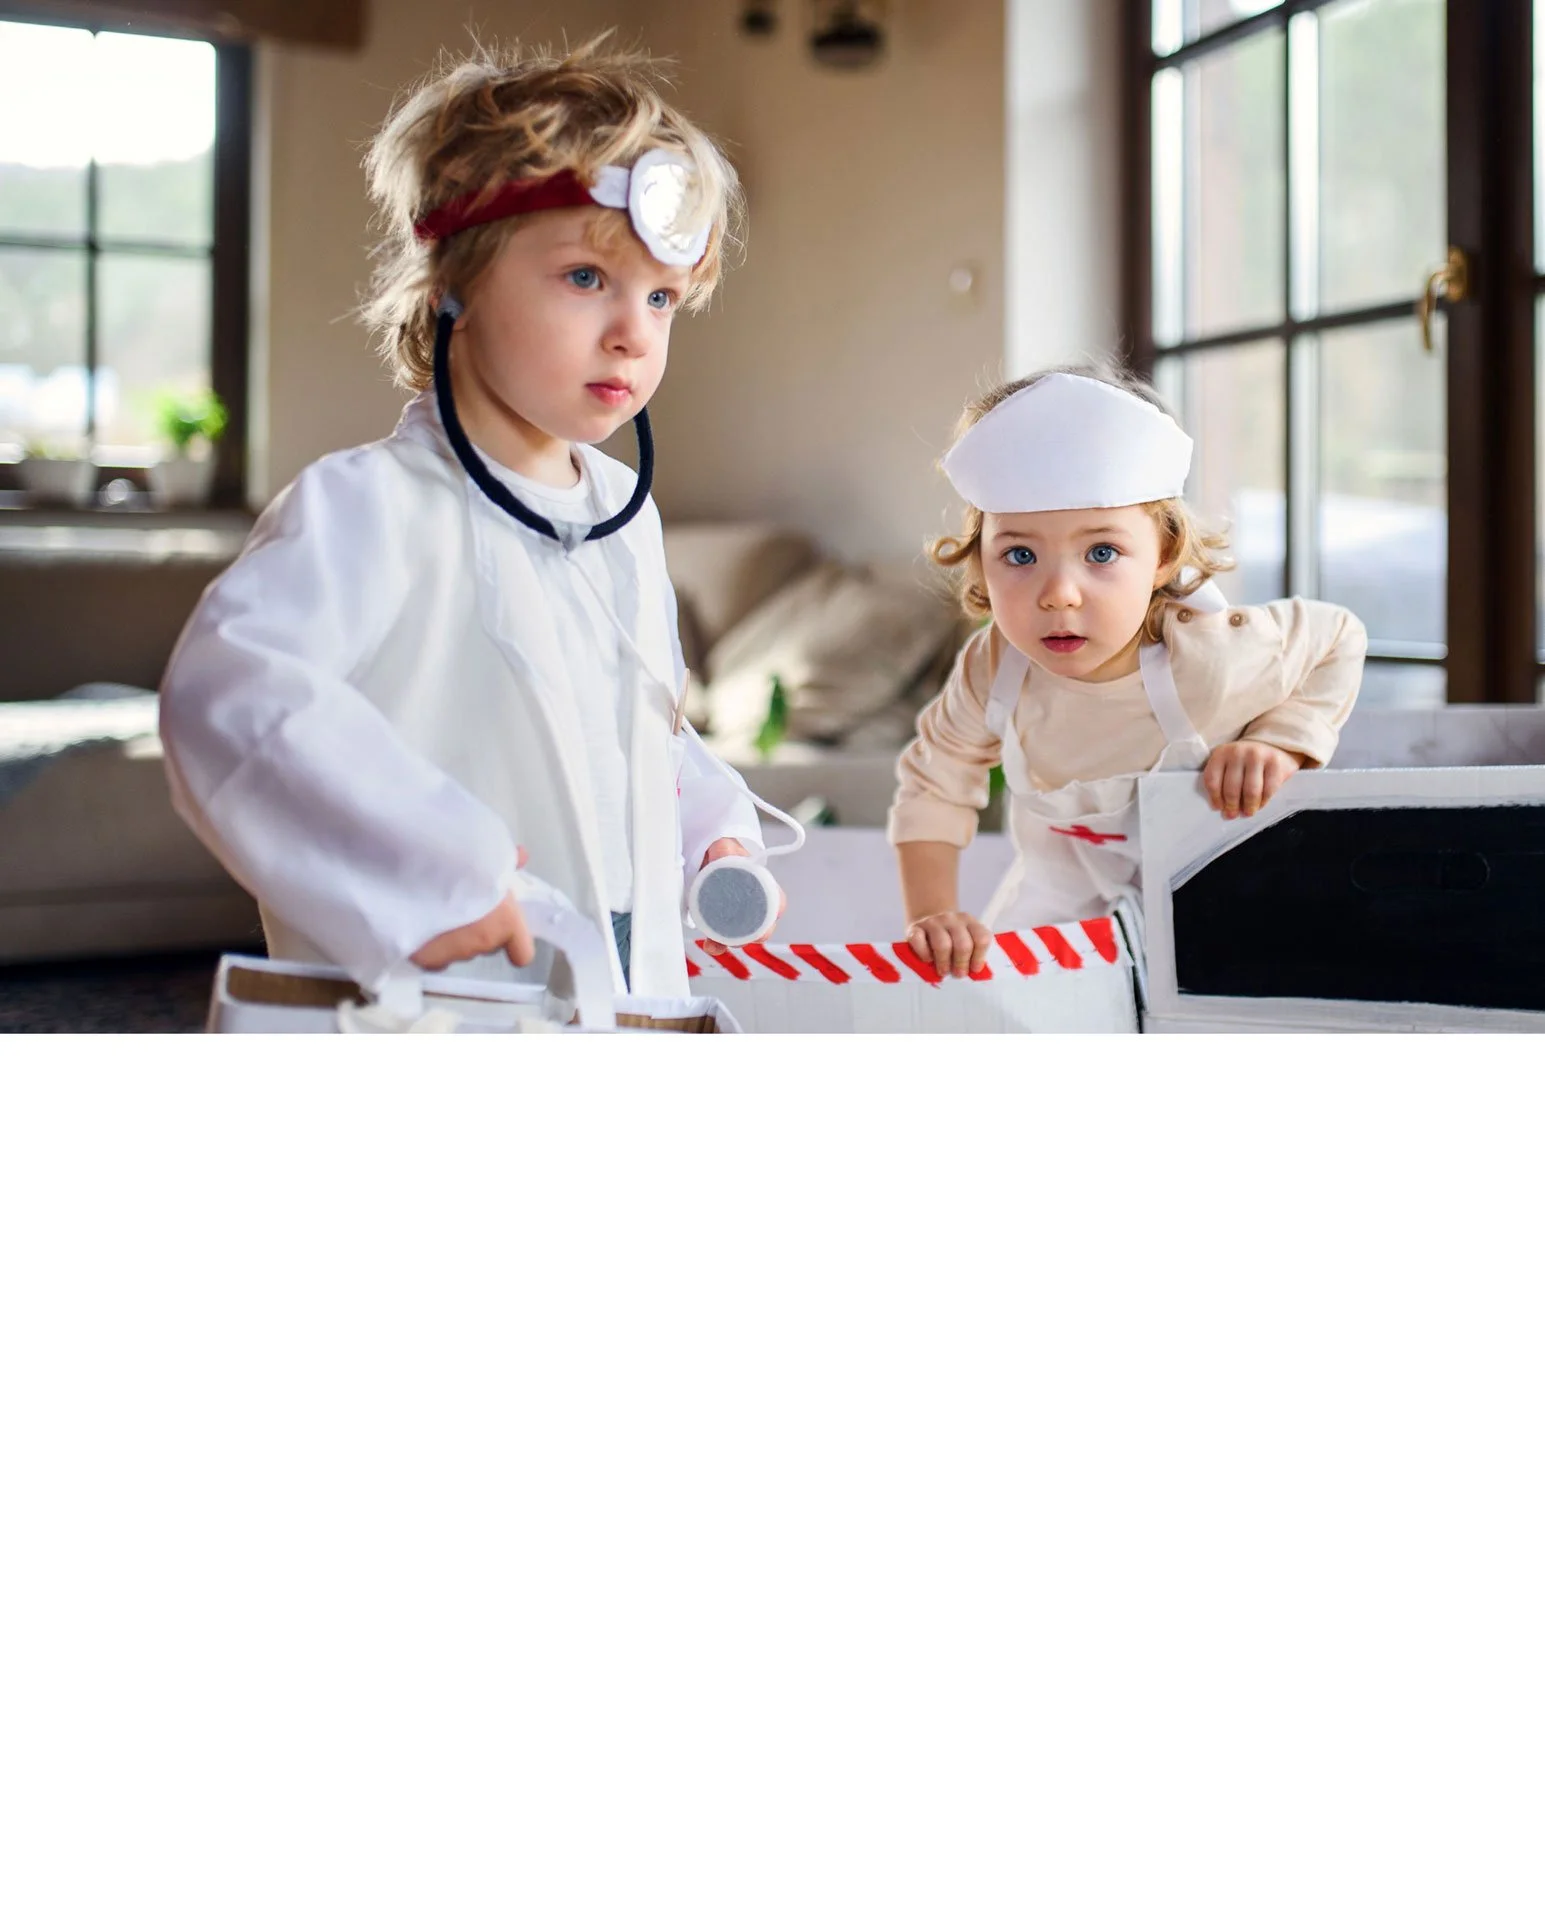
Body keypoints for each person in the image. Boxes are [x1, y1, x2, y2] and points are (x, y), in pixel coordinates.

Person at [160, 37, 774, 1002]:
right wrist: (435, 864)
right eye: (586, 278)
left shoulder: (624, 515)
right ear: (454, 277)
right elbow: (231, 698)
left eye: (661, 297)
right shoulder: (370, 506)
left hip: (622, 980)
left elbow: (636, 729)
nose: (634, 333)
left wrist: (712, 827)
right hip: (446, 988)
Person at [889, 365, 1367, 977]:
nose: (1059, 594)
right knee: (1002, 1002)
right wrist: (934, 914)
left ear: (1163, 555)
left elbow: (1338, 637)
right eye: (1020, 554)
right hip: (1059, 900)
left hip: (1212, 890)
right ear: (980, 560)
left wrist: (1281, 741)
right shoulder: (994, 667)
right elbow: (936, 784)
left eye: (1102, 552)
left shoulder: (1210, 657)